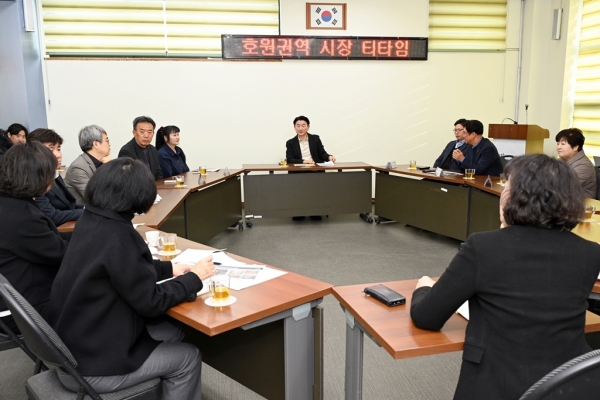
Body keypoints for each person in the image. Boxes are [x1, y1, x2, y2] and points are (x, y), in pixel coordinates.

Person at [410, 153, 600, 400]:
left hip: (495, 385)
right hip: (567, 386)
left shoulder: (483, 247)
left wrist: (424, 287)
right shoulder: (590, 253)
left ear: (516, 197)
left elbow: (427, 317)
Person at [49, 158, 214, 399]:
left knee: (173, 328)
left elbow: (124, 268)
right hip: (93, 366)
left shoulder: (90, 221)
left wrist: (170, 268)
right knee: (188, 356)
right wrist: (195, 278)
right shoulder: (119, 235)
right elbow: (151, 302)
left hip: (73, 346)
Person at [0, 143, 69, 333]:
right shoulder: (22, 216)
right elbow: (63, 255)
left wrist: (87, 235)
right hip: (22, 309)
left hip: (16, 295)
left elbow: (48, 239)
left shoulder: (10, 202)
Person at [28, 129, 84, 226]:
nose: (58, 155)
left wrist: (89, 209)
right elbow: (51, 216)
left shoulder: (55, 174)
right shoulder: (34, 180)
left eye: (58, 149)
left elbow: (70, 206)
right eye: (51, 150)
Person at [64, 124, 111, 205]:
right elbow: (95, 198)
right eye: (107, 140)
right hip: (87, 211)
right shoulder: (78, 168)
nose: (109, 144)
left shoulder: (104, 162)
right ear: (96, 144)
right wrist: (111, 167)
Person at [556, 127, 596, 198]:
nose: (558, 147)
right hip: (563, 198)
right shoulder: (561, 160)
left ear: (575, 147)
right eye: (558, 143)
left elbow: (564, 186)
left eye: (563, 144)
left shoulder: (584, 165)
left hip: (581, 201)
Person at [118, 116, 163, 180]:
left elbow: (158, 172)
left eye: (149, 132)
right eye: (142, 132)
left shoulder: (153, 149)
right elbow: (127, 177)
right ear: (134, 132)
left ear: (153, 133)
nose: (146, 136)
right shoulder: (126, 151)